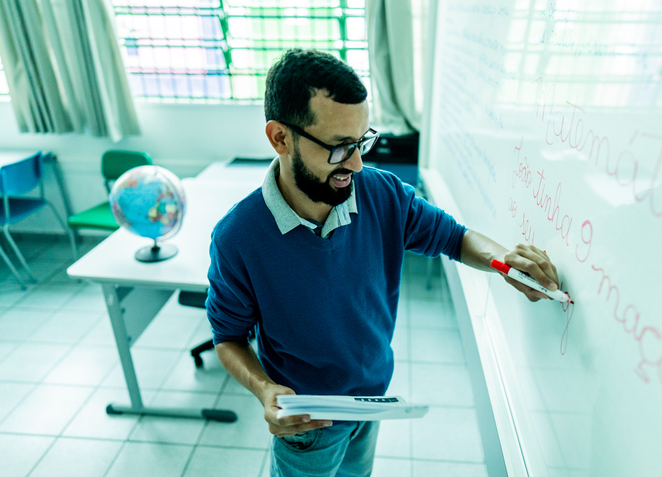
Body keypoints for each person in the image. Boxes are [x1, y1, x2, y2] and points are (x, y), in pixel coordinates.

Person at [206, 48, 560, 477]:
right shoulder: (237, 237)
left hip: (372, 402)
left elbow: (456, 237)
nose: (356, 163)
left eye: (361, 142)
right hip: (307, 423)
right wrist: (264, 391)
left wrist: (504, 260)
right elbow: (228, 337)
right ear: (280, 138)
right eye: (339, 147)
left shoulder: (382, 193)